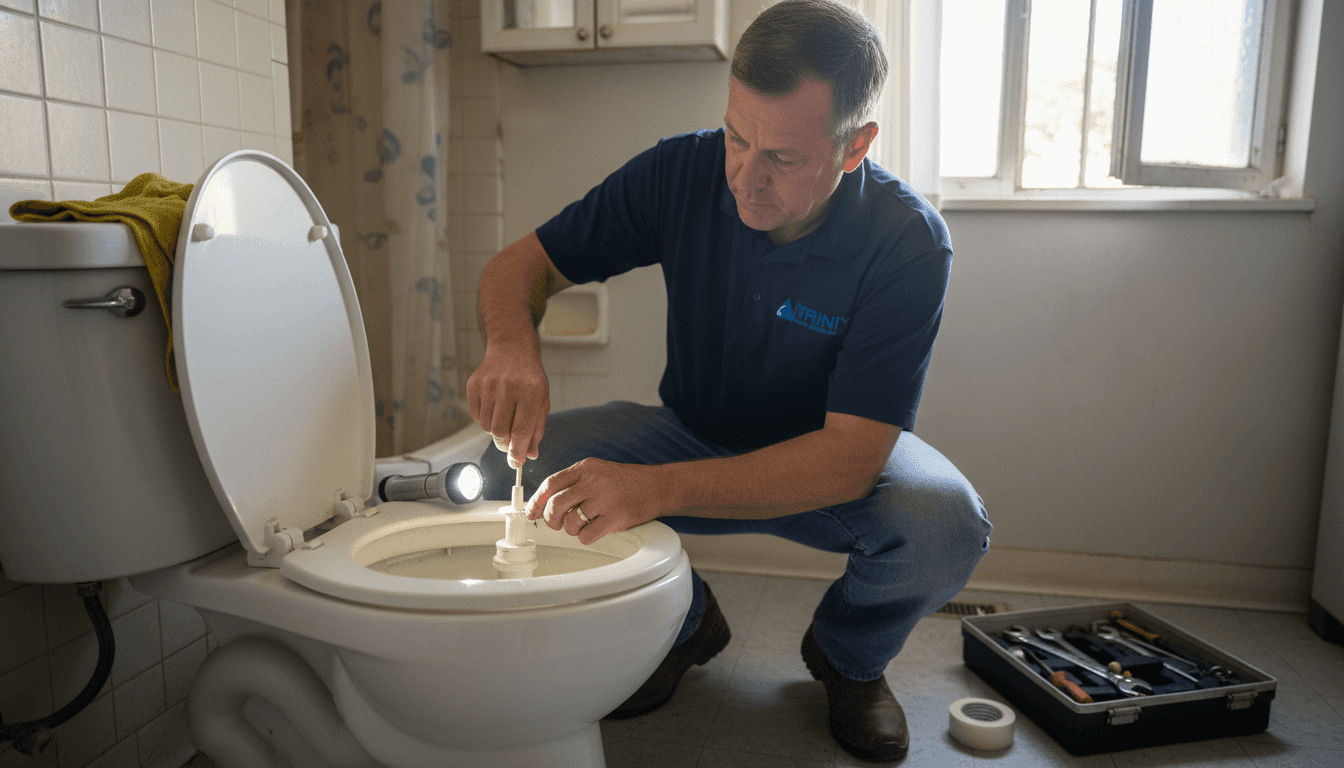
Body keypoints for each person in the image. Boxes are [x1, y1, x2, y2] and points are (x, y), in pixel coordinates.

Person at [465, 0, 991, 761]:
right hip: (691, 429)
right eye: (738, 138)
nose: (746, 175)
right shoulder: (680, 169)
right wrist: (511, 346)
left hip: (831, 462)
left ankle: (849, 659)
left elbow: (851, 459)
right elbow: (523, 265)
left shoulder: (908, 242)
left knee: (946, 524)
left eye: (782, 157)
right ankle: (685, 623)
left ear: (855, 147)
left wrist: (658, 491)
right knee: (511, 466)